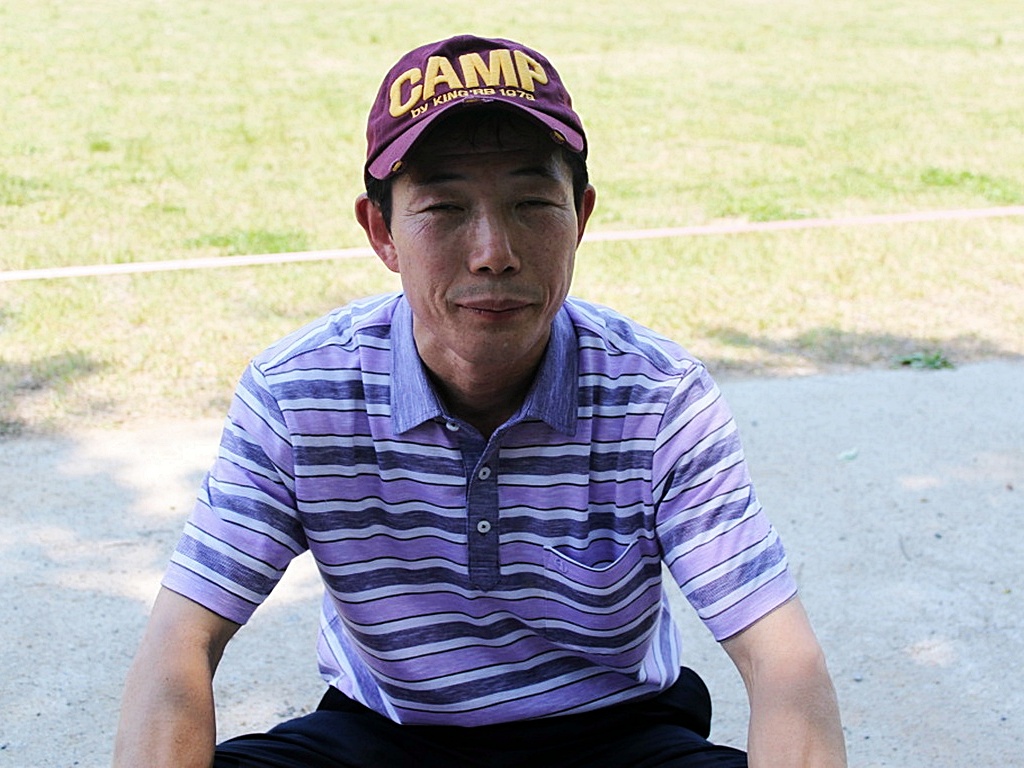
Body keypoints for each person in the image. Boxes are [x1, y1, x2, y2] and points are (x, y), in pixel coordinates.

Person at [114, 35, 846, 767]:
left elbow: (782, 661)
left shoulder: (658, 400)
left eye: (532, 203)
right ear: (382, 232)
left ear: (581, 216)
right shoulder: (298, 395)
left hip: (613, 733)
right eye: (444, 207)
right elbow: (181, 639)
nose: (494, 252)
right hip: (382, 735)